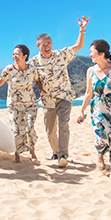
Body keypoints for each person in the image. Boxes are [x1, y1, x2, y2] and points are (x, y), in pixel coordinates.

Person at [28, 16, 90, 168]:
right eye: (43, 44)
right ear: (38, 46)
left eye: (49, 43)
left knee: (64, 125)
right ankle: (56, 152)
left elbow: (79, 45)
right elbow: (35, 78)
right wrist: (40, 88)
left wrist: (82, 29)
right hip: (48, 100)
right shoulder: (33, 62)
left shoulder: (61, 54)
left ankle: (63, 155)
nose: (47, 46)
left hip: (64, 96)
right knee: (50, 131)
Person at [76, 40, 111, 179]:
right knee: (101, 138)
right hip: (98, 109)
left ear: (101, 53)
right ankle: (100, 155)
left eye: (92, 52)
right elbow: (88, 93)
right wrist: (81, 111)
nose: (90, 55)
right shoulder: (90, 71)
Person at [0, 44, 42, 163]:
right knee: (16, 130)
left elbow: (37, 80)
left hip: (30, 103)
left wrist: (41, 89)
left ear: (25, 56)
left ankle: (32, 151)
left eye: (17, 54)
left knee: (29, 127)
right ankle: (17, 153)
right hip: (14, 105)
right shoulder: (9, 69)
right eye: (13, 54)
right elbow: (0, 83)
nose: (14, 56)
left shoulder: (32, 69)